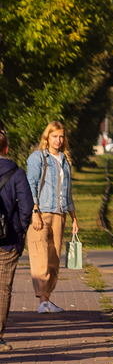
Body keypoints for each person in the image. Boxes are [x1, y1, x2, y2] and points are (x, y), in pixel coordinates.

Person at [26, 121, 78, 314]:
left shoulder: (65, 160)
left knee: (53, 260)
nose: (58, 140)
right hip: (40, 213)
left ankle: (47, 300)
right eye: (55, 136)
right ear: (47, 137)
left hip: (60, 213)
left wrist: (74, 217)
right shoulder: (38, 157)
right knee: (40, 258)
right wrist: (34, 211)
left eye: (61, 136)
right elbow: (31, 185)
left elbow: (68, 192)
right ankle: (43, 300)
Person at [0, 128, 34, 351]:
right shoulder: (17, 173)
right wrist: (20, 230)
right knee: (3, 288)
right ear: (7, 149)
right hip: (8, 239)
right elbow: (26, 207)